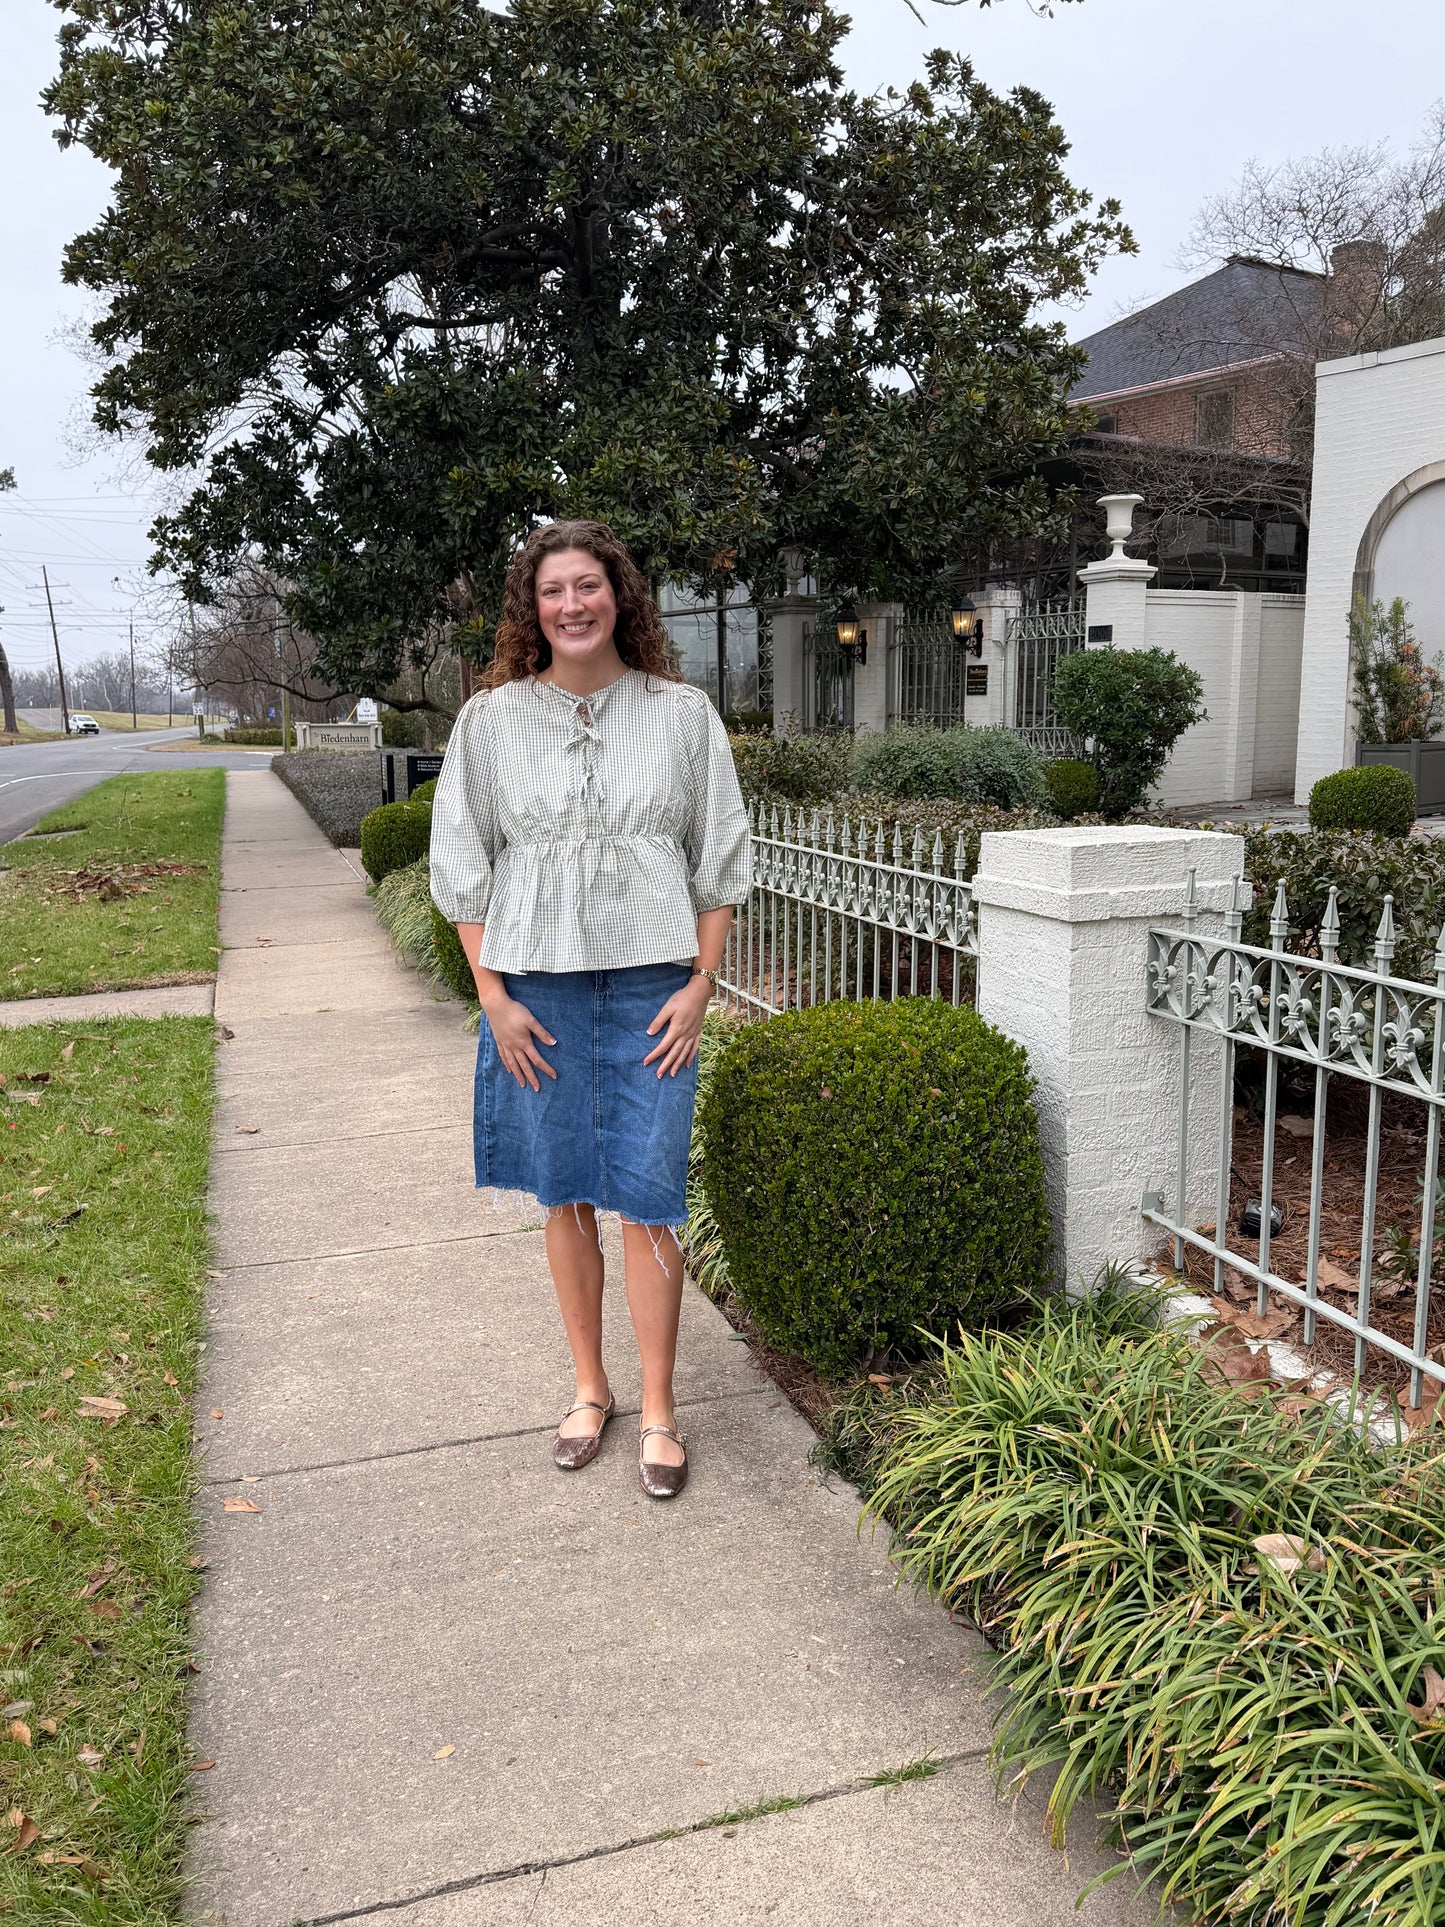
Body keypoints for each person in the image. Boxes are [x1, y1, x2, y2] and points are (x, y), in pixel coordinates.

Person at [430, 521, 750, 1499]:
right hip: (536, 992)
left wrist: (700, 984)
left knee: (649, 1195)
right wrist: (493, 1000)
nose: (572, 604)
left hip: (656, 993)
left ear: (620, 597)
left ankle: (657, 1407)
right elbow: (461, 865)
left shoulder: (683, 715)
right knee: (562, 1187)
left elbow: (719, 855)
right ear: (532, 608)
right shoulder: (488, 723)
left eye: (588, 585)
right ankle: (587, 1387)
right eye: (552, 590)